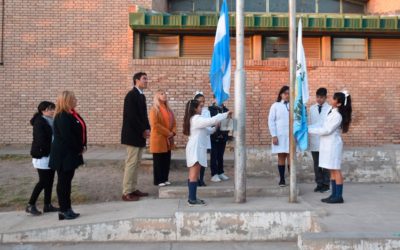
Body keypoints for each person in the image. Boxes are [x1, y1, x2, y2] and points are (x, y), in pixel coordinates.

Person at [183, 99, 231, 206]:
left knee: (193, 174)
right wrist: (225, 114)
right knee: (194, 174)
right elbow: (210, 120)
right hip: (195, 149)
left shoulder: (195, 120)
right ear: (195, 109)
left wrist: (216, 127)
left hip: (196, 148)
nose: (202, 109)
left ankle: (192, 197)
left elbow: (208, 131)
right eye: (200, 107)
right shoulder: (196, 119)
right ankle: (192, 199)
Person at [309, 91, 352, 204]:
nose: (331, 100)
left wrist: (308, 130)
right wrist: (308, 127)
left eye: (334, 99)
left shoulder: (337, 116)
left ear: (338, 104)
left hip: (333, 145)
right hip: (328, 144)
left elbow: (326, 130)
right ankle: (333, 194)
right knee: (332, 170)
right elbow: (322, 125)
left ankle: (339, 196)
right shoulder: (332, 111)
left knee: (336, 170)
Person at [49, 91, 87, 220]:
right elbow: (67, 137)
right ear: (67, 100)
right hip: (64, 155)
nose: (76, 100)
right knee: (64, 183)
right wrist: (79, 148)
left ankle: (67, 208)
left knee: (67, 182)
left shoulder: (72, 114)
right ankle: (64, 210)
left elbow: (81, 130)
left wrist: (83, 145)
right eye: (73, 99)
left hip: (71, 153)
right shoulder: (62, 116)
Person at [121, 72, 150, 201]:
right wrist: (142, 130)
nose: (146, 81)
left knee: (137, 163)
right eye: (144, 78)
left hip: (140, 134)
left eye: (146, 78)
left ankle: (133, 188)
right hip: (132, 134)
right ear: (136, 80)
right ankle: (126, 192)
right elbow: (131, 116)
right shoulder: (131, 95)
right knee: (131, 163)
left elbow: (144, 116)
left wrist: (148, 128)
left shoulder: (141, 96)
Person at [26, 101, 59, 216]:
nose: (52, 111)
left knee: (49, 181)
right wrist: (51, 148)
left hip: (51, 155)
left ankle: (47, 205)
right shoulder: (40, 122)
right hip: (42, 156)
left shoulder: (51, 120)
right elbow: (41, 140)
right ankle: (30, 205)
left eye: (53, 109)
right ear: (43, 110)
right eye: (50, 109)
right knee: (43, 181)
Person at [149, 90, 176, 187]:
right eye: (162, 94)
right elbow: (155, 125)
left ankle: (165, 178)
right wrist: (168, 132)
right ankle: (158, 180)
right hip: (158, 139)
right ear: (157, 96)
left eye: (165, 93)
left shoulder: (169, 110)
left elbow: (174, 123)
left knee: (166, 159)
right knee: (158, 161)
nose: (164, 95)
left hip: (168, 139)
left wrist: (173, 132)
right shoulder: (154, 110)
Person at [309, 88, 331, 193]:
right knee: (316, 164)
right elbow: (309, 123)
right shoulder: (312, 108)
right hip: (314, 140)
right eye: (317, 97)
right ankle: (319, 184)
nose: (319, 99)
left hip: (325, 140)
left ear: (325, 97)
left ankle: (326, 184)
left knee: (325, 163)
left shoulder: (330, 109)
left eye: (321, 97)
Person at [268, 86, 290, 187]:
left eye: (289, 93)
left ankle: (292, 179)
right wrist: (274, 135)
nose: (287, 95)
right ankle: (282, 179)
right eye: (285, 93)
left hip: (291, 136)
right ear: (281, 94)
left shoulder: (293, 105)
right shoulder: (275, 106)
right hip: (280, 135)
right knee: (281, 157)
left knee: (291, 158)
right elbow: (271, 121)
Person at [208, 96, 230, 182]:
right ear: (213, 99)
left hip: (223, 136)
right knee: (214, 155)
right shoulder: (210, 110)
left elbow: (229, 122)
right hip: (213, 136)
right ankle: (214, 174)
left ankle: (221, 172)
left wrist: (225, 133)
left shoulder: (226, 110)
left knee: (221, 155)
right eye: (218, 98)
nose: (220, 100)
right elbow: (210, 122)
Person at [193, 92, 212, 186]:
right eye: (201, 101)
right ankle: (195, 179)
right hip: (196, 138)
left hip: (205, 137)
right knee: (196, 160)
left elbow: (208, 123)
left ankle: (201, 179)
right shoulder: (192, 111)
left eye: (204, 101)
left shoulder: (206, 111)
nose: (203, 103)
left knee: (203, 159)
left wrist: (212, 129)